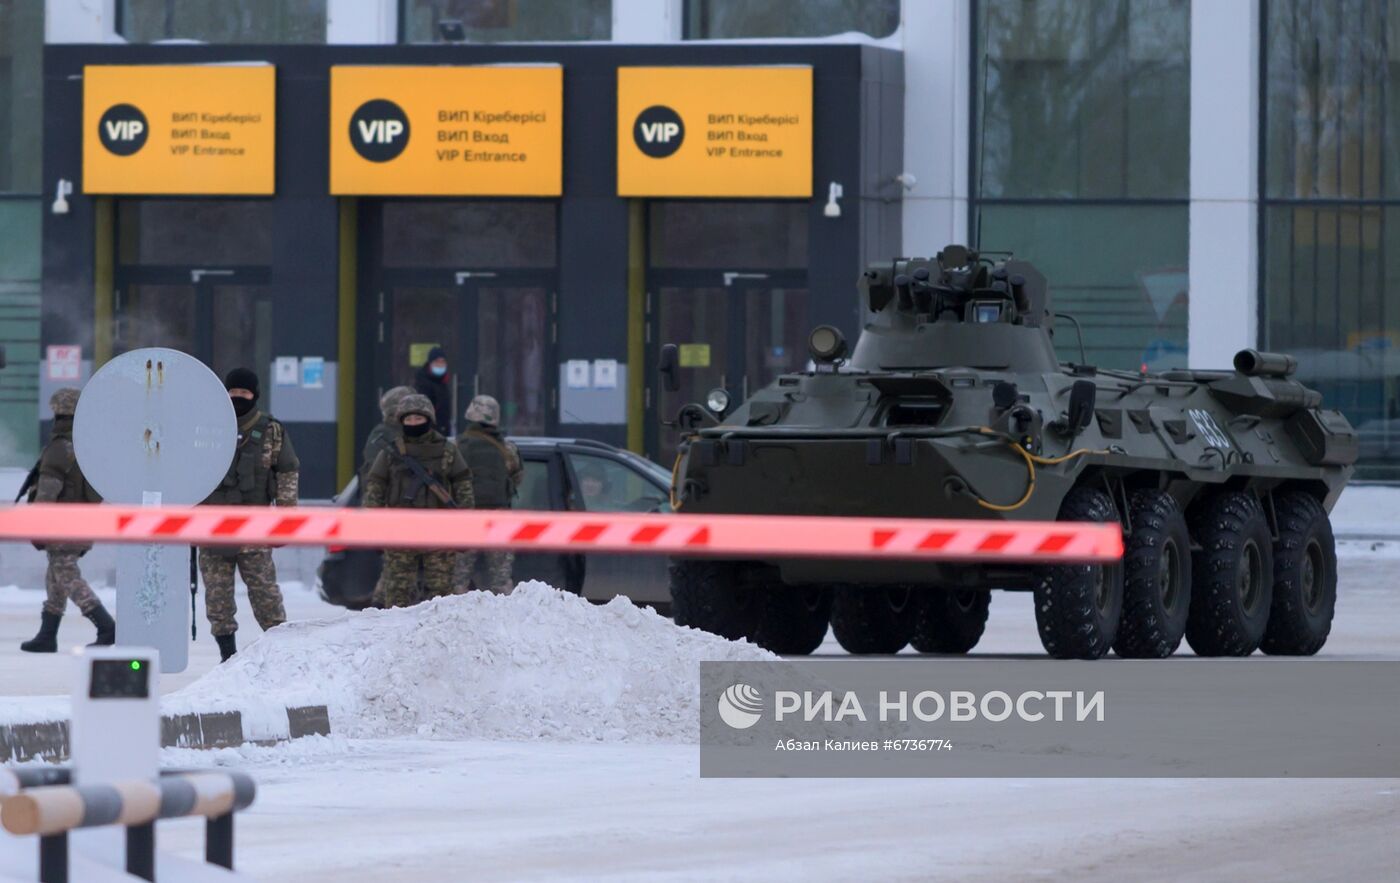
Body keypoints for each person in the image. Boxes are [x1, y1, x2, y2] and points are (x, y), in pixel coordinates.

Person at [199, 368, 299, 662]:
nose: (238, 397)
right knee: (217, 599)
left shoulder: (271, 429)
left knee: (266, 595)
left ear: (255, 394)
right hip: (213, 527)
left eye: (244, 392)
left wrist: (286, 519)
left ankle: (282, 655)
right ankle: (227, 656)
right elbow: (190, 472)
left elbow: (287, 471)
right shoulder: (208, 427)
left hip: (254, 527)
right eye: (233, 392)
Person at [19, 388, 115, 652]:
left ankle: (106, 626)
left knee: (67, 575)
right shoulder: (87, 448)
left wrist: (37, 526)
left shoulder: (59, 448)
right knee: (56, 575)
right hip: (82, 523)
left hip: (62, 524)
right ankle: (47, 635)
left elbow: (48, 492)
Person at [363, 394, 473, 607]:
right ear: (401, 421)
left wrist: (466, 528)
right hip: (400, 531)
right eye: (409, 419)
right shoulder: (390, 453)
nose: (413, 423)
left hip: (439, 532)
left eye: (418, 419)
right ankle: (397, 635)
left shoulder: (447, 451)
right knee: (397, 593)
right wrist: (373, 528)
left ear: (428, 420)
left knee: (442, 595)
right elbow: (375, 490)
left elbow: (464, 488)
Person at [456, 395, 523, 594]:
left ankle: (453, 619)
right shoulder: (508, 449)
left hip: (466, 517)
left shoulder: (457, 447)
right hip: (499, 516)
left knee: (458, 578)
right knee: (501, 579)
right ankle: (505, 618)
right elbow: (516, 478)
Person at [362, 385, 413, 608]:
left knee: (395, 565)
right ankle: (379, 606)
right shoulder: (383, 435)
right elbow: (377, 474)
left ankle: (381, 605)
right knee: (394, 564)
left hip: (400, 506)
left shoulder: (398, 434)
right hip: (388, 506)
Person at [413, 346, 452, 437]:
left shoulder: (443, 383)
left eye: (442, 362)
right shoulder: (423, 384)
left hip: (442, 431)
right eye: (437, 362)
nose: (440, 365)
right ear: (430, 364)